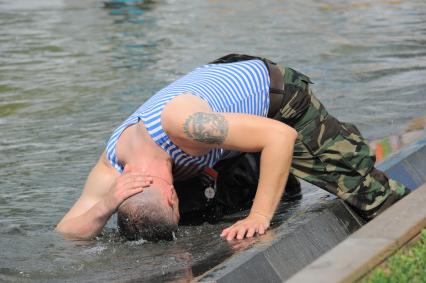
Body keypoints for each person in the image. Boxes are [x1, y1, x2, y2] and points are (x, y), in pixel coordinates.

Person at [56, 54, 409, 242]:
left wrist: (259, 217)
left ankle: (342, 148)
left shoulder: (183, 125)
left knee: (366, 194)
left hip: (274, 97)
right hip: (224, 124)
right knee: (194, 216)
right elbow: (67, 231)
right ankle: (274, 177)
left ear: (169, 197)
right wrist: (105, 205)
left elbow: (278, 136)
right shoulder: (113, 164)